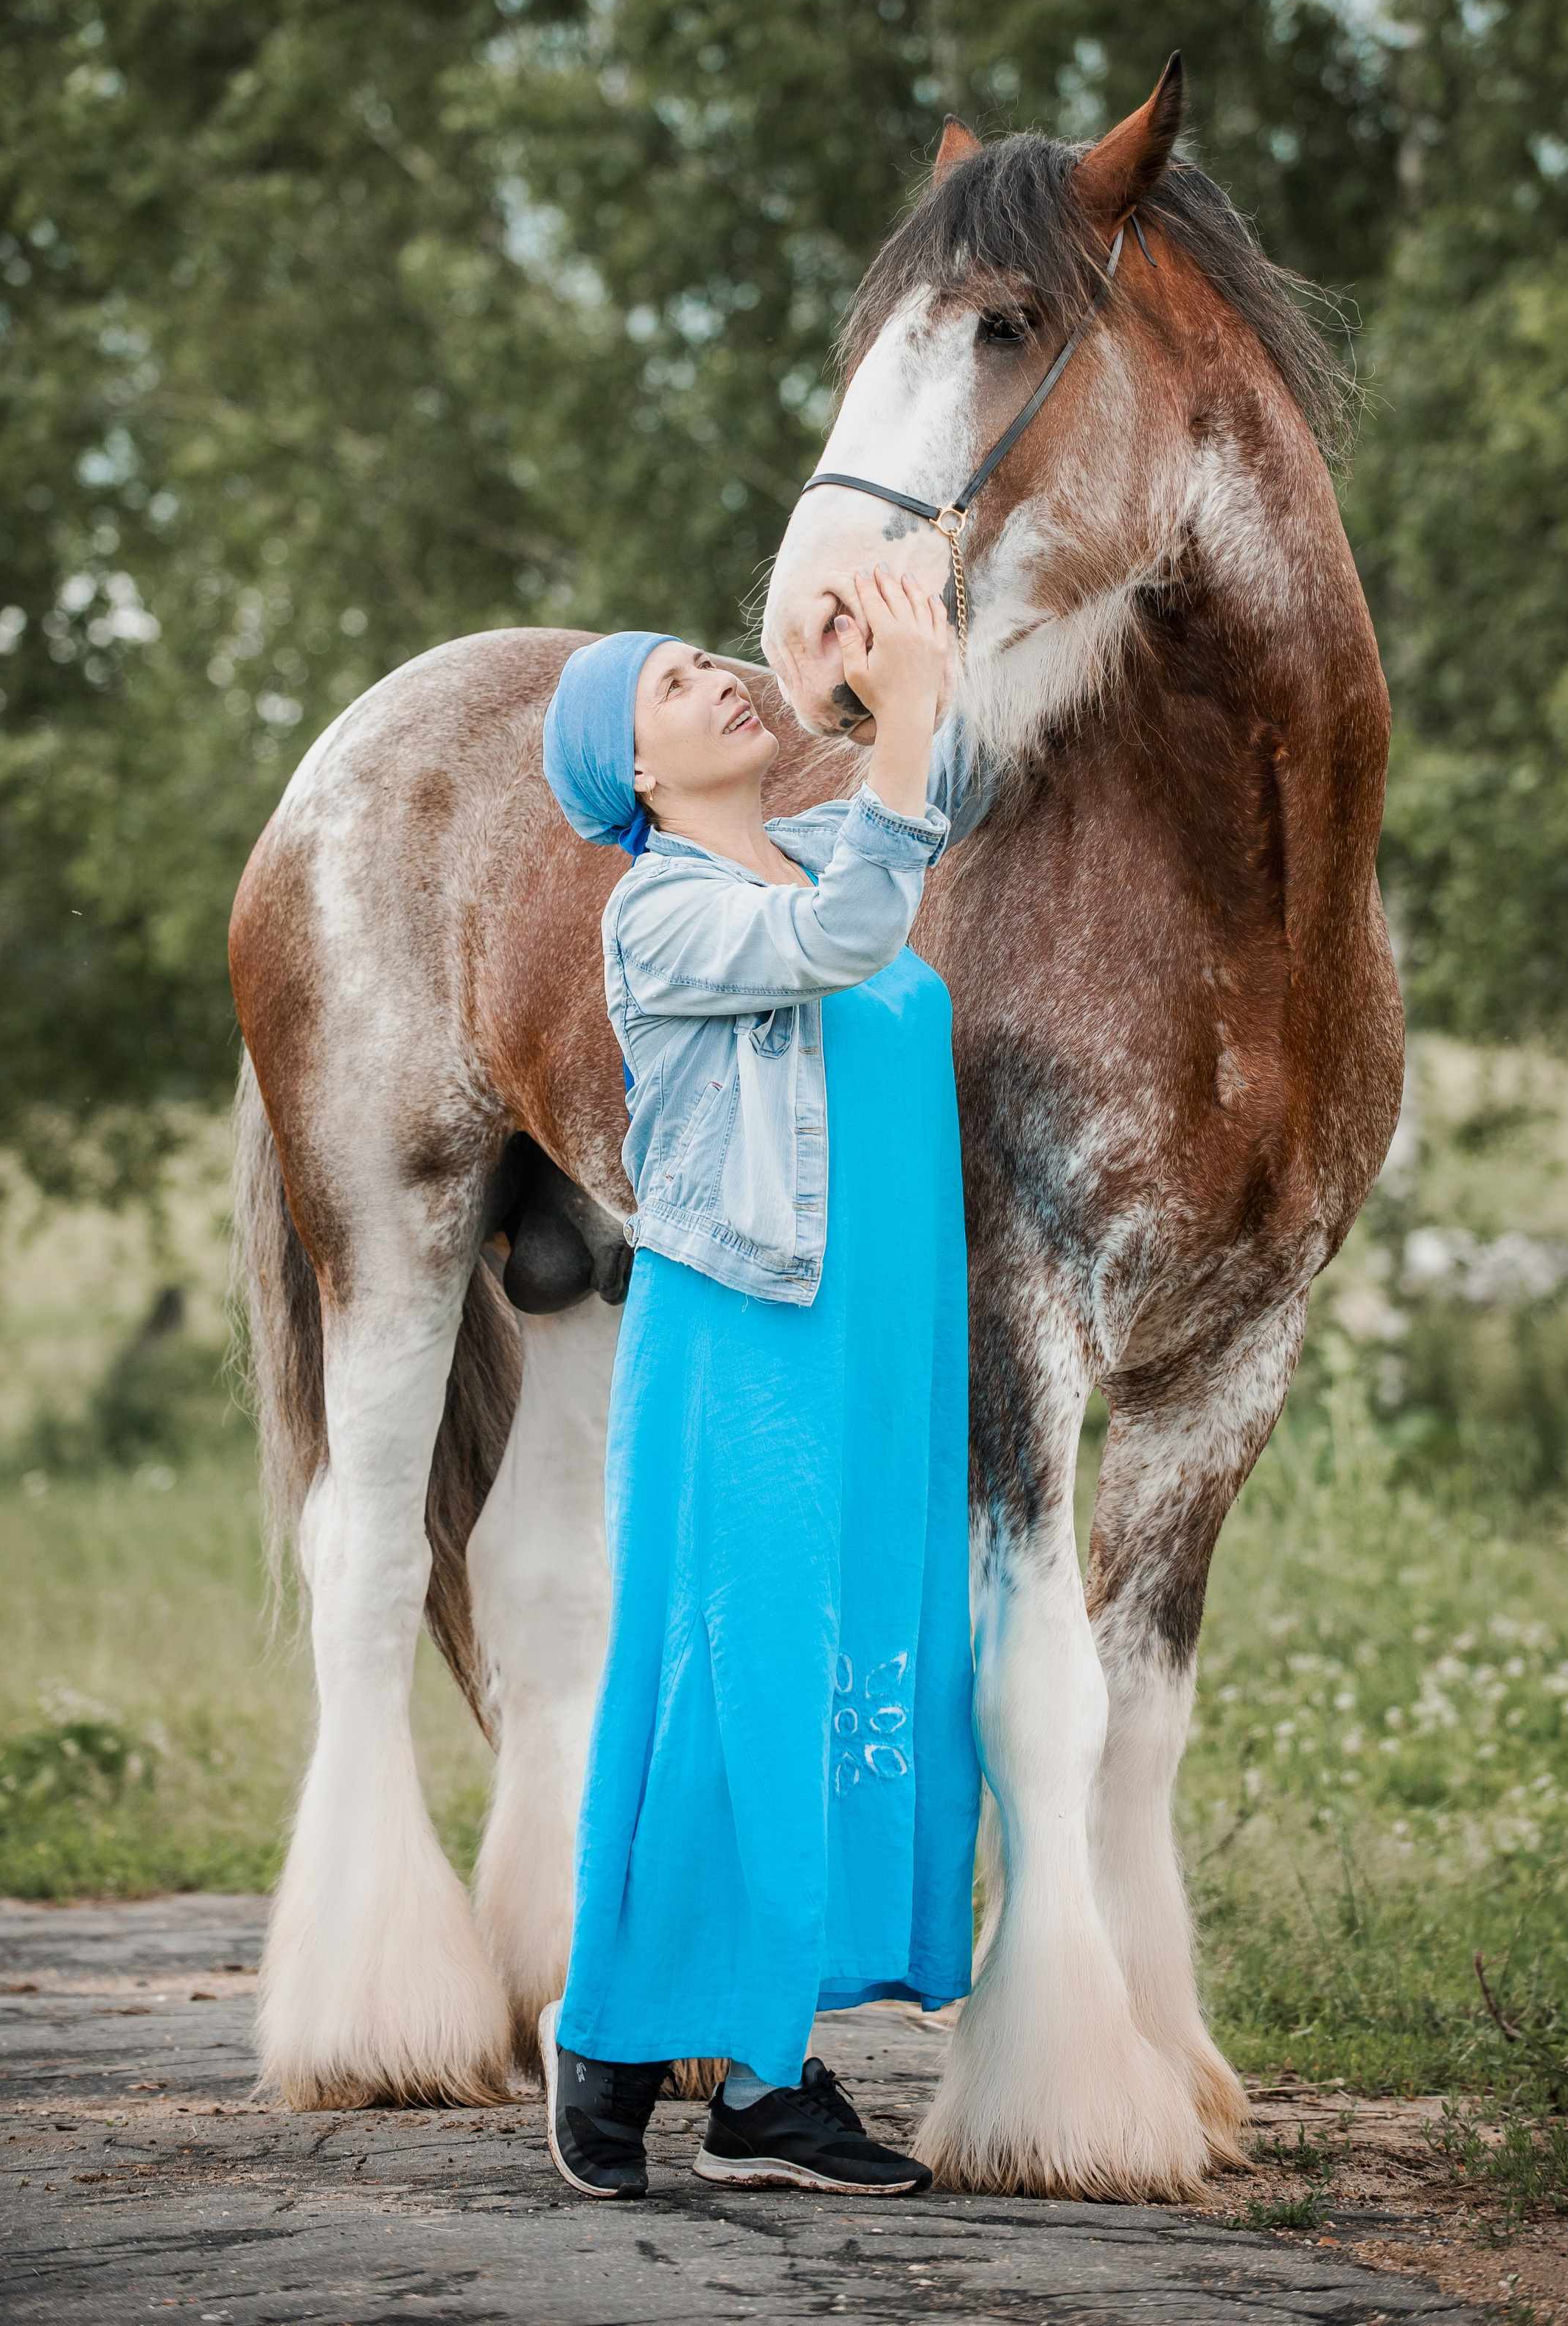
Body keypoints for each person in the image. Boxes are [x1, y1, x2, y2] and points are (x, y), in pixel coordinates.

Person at [535, 565, 987, 2199]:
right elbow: (845, 939)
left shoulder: (824, 840)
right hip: (746, 1338)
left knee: (858, 1663)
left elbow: (934, 797)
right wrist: (905, 713)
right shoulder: (657, 909)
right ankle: (612, 2037)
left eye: (709, 661)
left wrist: (900, 648)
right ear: (636, 776)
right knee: (732, 1682)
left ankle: (764, 2084)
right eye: (672, 687)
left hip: (880, 1334)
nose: (720, 677)